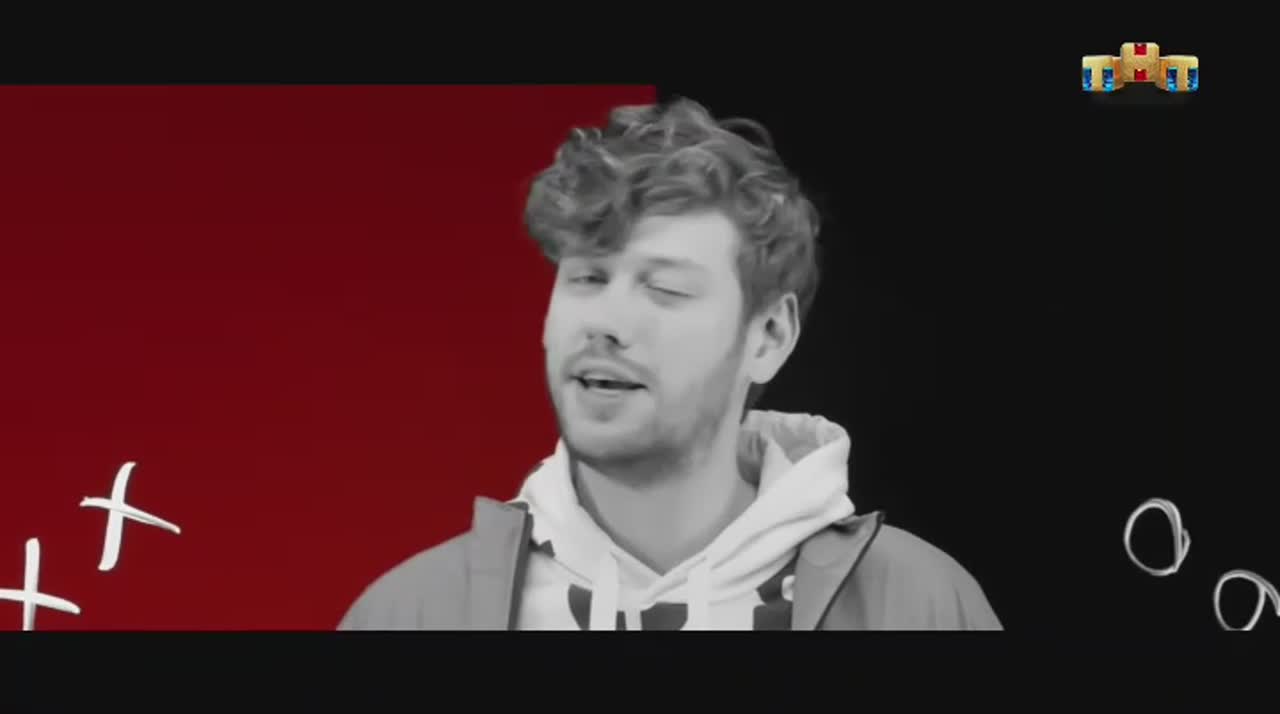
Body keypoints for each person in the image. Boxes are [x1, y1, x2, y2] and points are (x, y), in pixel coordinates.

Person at [338, 98, 1001, 631]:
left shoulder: (920, 606)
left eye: (665, 289)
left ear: (769, 335)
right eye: (588, 279)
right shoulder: (409, 614)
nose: (606, 322)